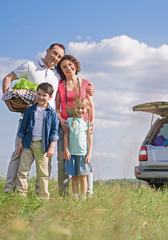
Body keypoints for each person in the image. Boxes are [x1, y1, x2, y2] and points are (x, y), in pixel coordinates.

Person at [2, 43, 65, 193]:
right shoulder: (30, 66)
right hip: (28, 119)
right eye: (54, 53)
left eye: (59, 56)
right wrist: (7, 100)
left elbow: (73, 78)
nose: (55, 58)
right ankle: (10, 189)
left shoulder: (57, 74)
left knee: (46, 159)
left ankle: (41, 193)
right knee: (19, 153)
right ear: (47, 50)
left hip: (48, 123)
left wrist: (89, 88)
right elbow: (8, 78)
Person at [55, 55, 95, 197]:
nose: (68, 68)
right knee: (64, 160)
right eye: (64, 67)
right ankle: (65, 194)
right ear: (61, 70)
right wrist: (60, 119)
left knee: (85, 160)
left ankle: (88, 194)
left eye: (70, 65)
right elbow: (57, 107)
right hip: (66, 126)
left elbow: (90, 105)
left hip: (83, 126)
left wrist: (92, 122)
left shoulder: (85, 83)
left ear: (75, 65)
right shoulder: (60, 85)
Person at [16, 83, 59, 198]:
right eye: (39, 94)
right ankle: (21, 194)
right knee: (23, 170)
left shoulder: (52, 113)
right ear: (36, 94)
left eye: (44, 95)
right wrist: (20, 143)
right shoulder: (30, 110)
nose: (41, 97)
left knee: (43, 173)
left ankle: (43, 196)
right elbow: (23, 128)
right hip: (28, 144)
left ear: (50, 96)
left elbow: (54, 131)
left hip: (43, 145)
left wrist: (51, 147)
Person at [63, 98, 93, 200]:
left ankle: (83, 197)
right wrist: (66, 150)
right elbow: (66, 136)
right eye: (78, 108)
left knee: (83, 177)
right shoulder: (70, 120)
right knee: (74, 177)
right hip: (72, 154)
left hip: (83, 154)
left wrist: (89, 154)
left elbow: (89, 139)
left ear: (87, 110)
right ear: (74, 109)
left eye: (83, 108)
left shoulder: (87, 124)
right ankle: (75, 196)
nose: (80, 110)